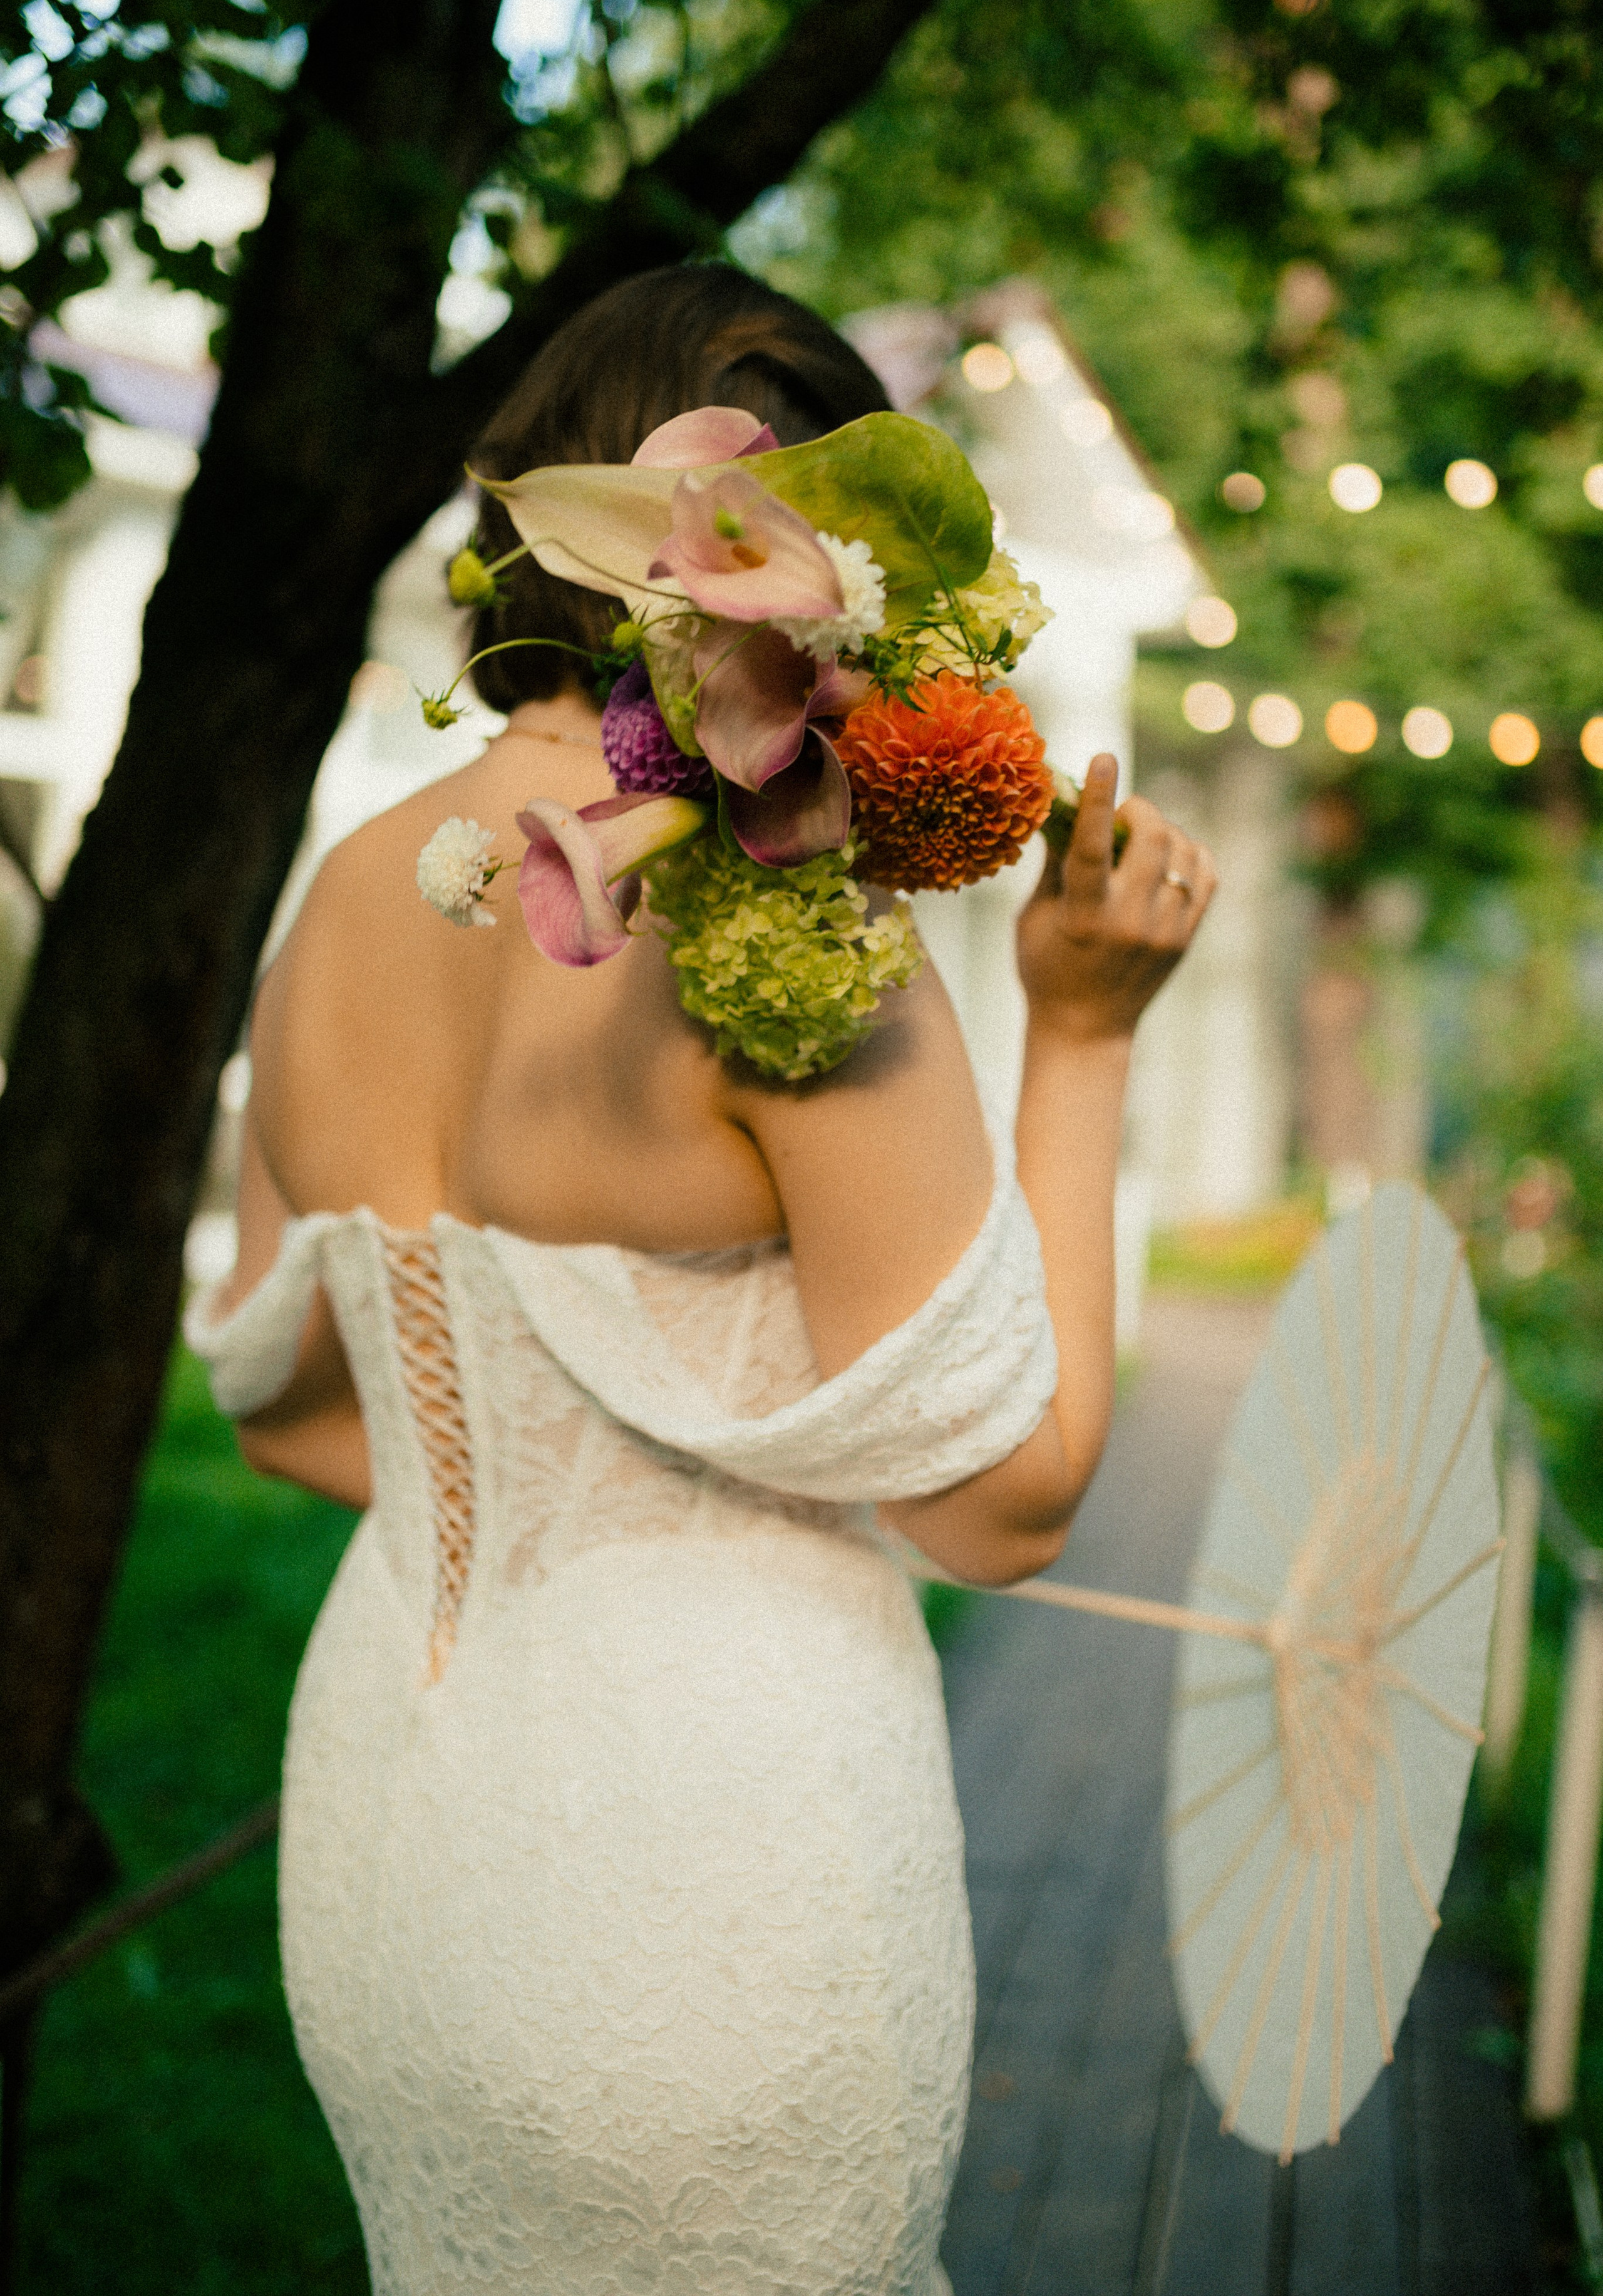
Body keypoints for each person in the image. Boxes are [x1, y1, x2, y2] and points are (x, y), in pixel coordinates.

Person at [188, 262, 1215, 2296]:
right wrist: (1085, 1035)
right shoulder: (779, 925)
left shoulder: (341, 901)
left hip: (395, 1858)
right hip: (716, 1892)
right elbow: (1004, 1500)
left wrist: (588, 1477)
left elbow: (296, 1414)